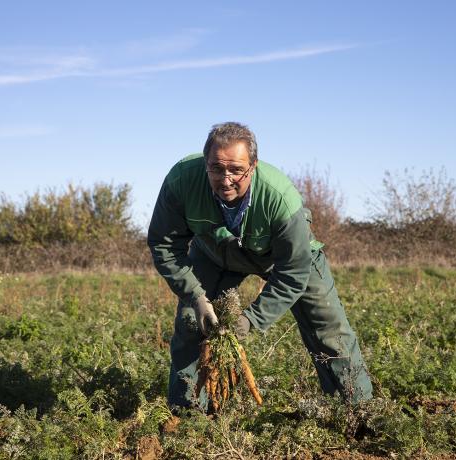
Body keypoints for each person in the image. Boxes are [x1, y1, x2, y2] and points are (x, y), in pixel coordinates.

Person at [147, 121, 372, 410]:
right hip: (215, 251)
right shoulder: (182, 181)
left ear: (253, 166)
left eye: (236, 170)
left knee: (328, 331)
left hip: (284, 257)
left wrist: (251, 319)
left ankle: (357, 411)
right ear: (206, 164)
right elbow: (164, 245)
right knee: (193, 322)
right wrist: (197, 297)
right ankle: (187, 414)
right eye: (216, 168)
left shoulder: (279, 198)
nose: (226, 180)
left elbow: (293, 272)